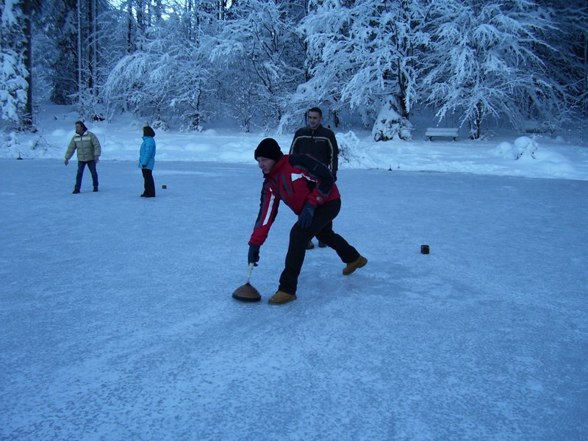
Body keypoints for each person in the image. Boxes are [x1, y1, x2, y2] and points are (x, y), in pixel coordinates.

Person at [248, 138, 367, 305]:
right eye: (258, 161)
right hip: (309, 211)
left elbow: (327, 177)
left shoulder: (297, 162)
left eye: (264, 160)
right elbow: (265, 215)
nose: (261, 164)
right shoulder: (270, 183)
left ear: (274, 158)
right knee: (325, 235)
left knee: (298, 234)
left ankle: (287, 289)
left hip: (329, 202)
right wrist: (255, 244)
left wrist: (311, 205)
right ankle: (354, 258)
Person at [290, 107, 339, 249]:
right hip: (304, 178)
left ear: (320, 119)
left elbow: (333, 156)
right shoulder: (300, 134)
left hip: (322, 178)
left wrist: (333, 174)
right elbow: (292, 155)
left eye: (315, 118)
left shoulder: (327, 134)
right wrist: (293, 175)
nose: (312, 120)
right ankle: (306, 238)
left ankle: (324, 236)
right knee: (304, 206)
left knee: (324, 206)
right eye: (310, 117)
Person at [64, 121, 101, 194]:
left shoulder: (90, 135)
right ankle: (77, 189)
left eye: (77, 126)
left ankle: (95, 186)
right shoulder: (75, 137)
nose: (76, 128)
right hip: (81, 159)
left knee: (93, 173)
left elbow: (97, 145)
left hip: (91, 158)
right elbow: (71, 148)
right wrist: (67, 158)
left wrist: (96, 155)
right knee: (79, 174)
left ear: (82, 127)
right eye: (76, 127)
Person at [139, 126, 156, 198]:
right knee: (146, 177)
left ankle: (150, 192)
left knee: (148, 177)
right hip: (145, 162)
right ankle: (147, 191)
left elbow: (148, 153)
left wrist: (144, 163)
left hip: (147, 163)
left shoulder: (149, 141)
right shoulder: (147, 140)